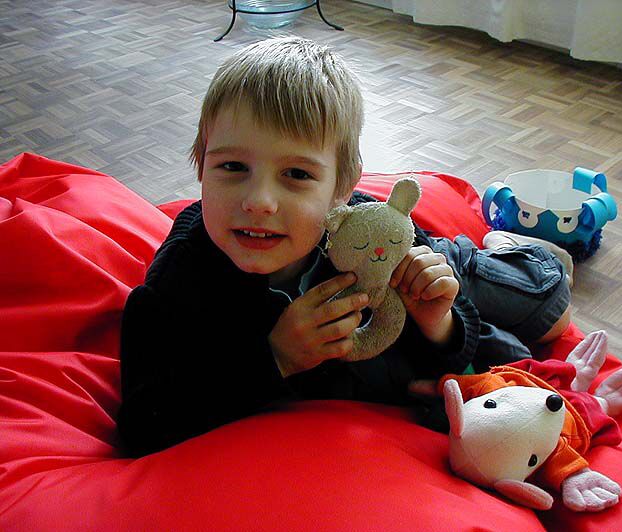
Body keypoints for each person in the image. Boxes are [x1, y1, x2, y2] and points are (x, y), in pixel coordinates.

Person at [117, 37, 574, 457]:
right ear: (200, 166)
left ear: (342, 188)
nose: (258, 202)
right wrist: (276, 358)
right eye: (233, 166)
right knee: (518, 351)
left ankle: (511, 248)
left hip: (438, 259)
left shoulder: (368, 233)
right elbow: (143, 424)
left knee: (552, 312)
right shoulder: (180, 280)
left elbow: (450, 338)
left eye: (296, 174)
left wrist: (439, 323)